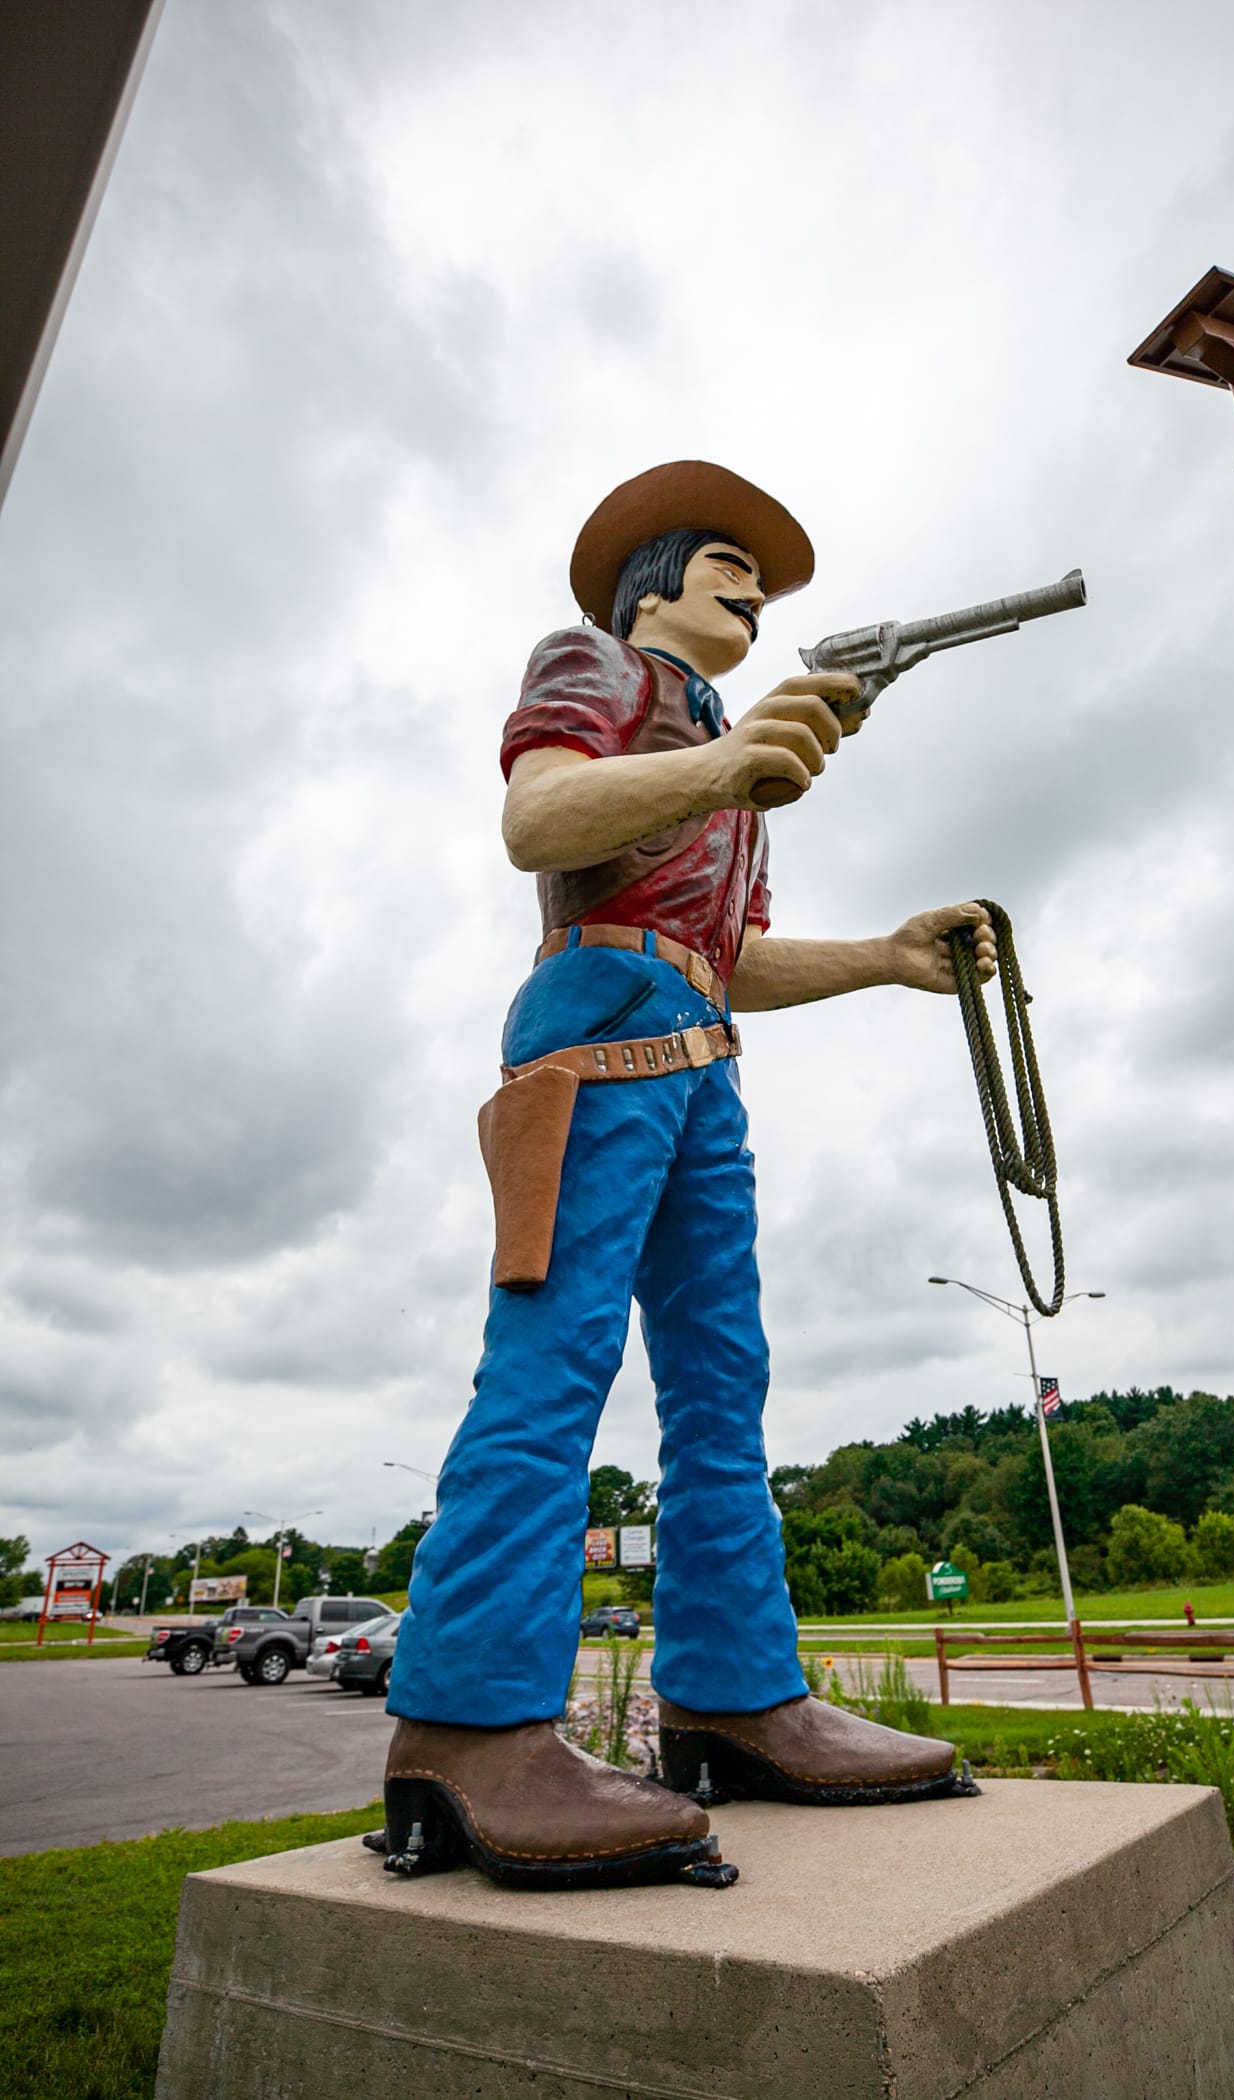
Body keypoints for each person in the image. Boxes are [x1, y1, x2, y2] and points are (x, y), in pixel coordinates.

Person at [381, 462, 997, 1889]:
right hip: (595, 1027)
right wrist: (723, 766)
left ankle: (734, 1694)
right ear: (648, 585)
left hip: (700, 1047)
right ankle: (467, 1727)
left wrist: (891, 961)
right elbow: (538, 823)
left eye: (764, 580)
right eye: (727, 562)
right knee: (553, 1365)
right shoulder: (592, 663)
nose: (756, 590)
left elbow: (736, 959)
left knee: (727, 1387)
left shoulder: (735, 758)